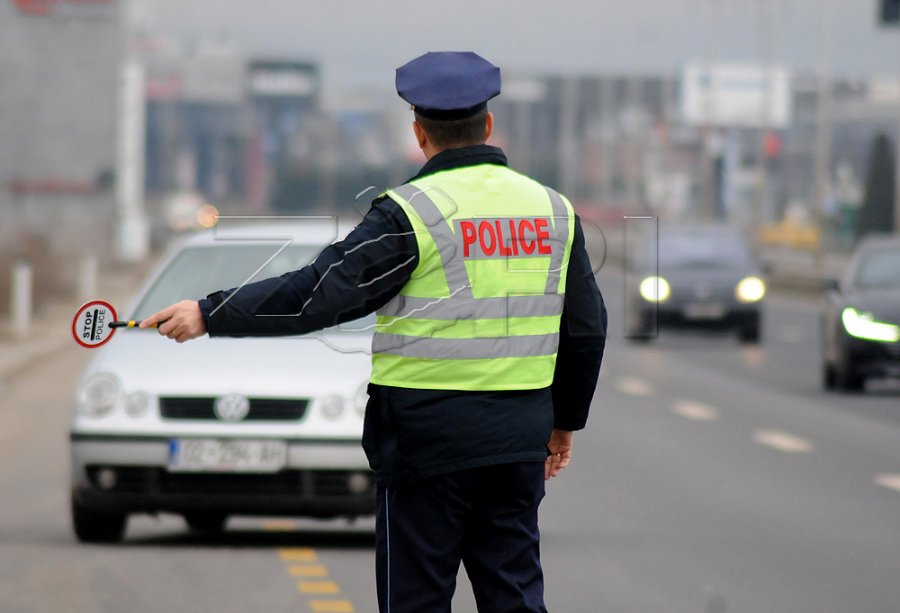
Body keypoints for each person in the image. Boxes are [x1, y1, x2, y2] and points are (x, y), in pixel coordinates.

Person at [141, 51, 607, 613]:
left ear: (419, 132)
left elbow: (319, 294)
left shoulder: (410, 212)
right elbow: (586, 328)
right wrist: (563, 423)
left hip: (426, 446)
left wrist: (211, 313)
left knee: (415, 601)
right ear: (488, 124)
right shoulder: (553, 209)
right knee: (514, 599)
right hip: (517, 444)